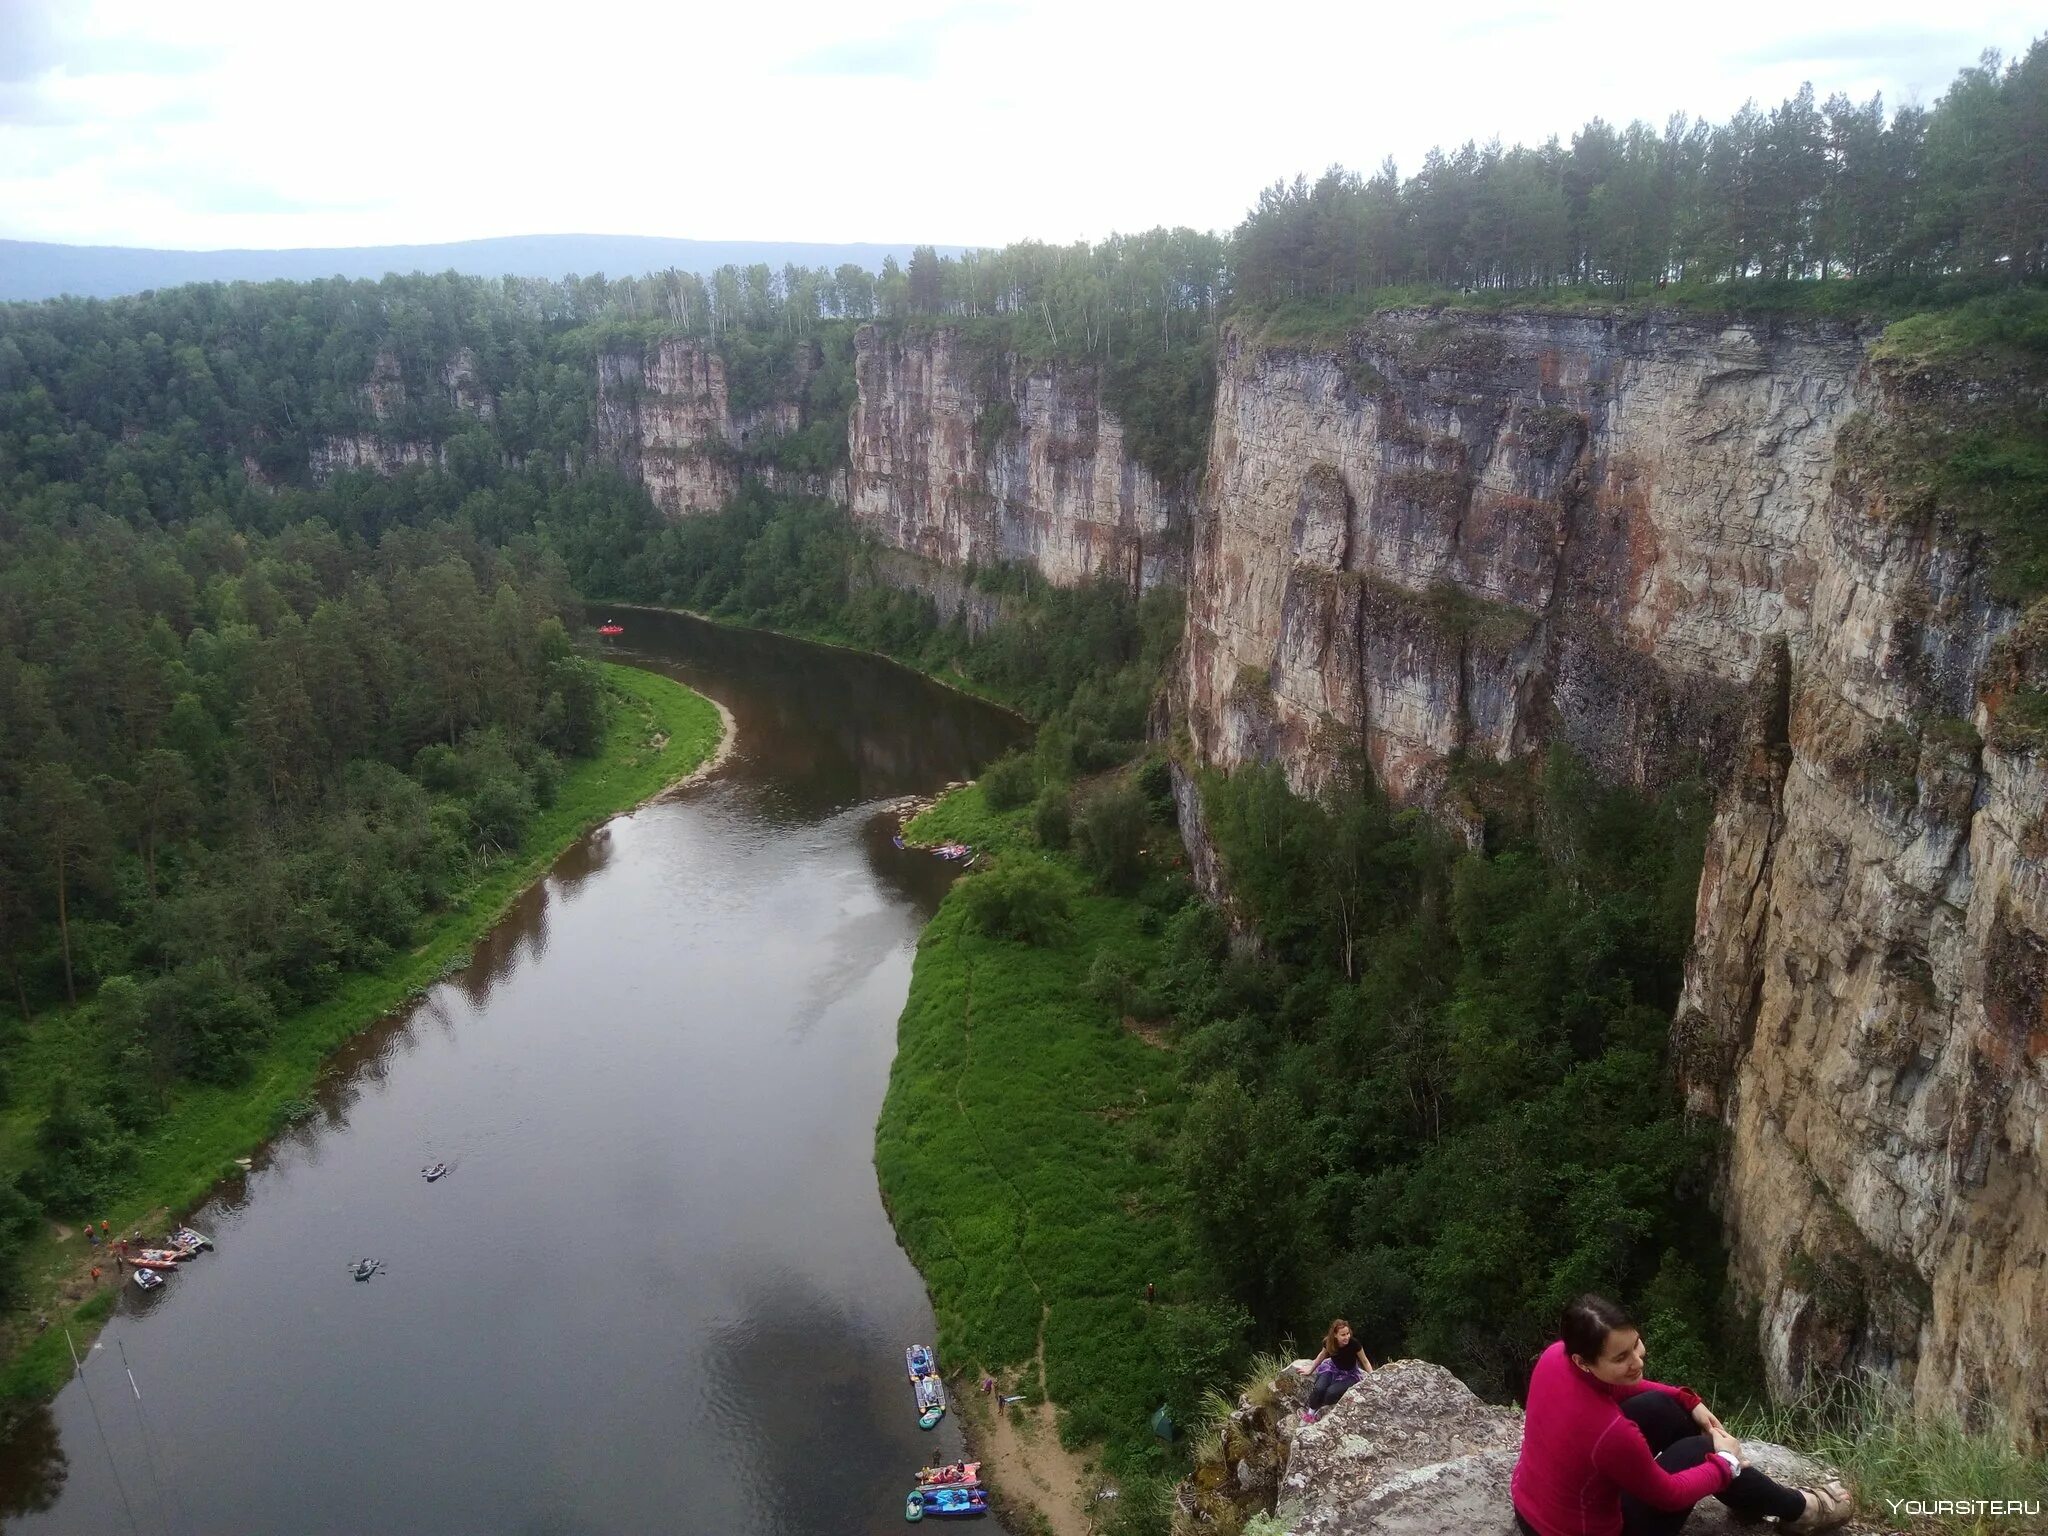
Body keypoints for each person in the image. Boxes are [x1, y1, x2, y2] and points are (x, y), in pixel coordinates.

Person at [1512, 1294, 1851, 1536]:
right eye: (1621, 1358)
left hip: (1535, 1509)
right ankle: (1800, 1510)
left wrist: (1686, 1399)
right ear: (1584, 1362)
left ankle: (1751, 1499)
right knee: (1696, 1451)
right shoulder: (1610, 1432)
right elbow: (1667, 1494)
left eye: (1636, 1344)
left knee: (1663, 1408)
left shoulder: (1555, 1357)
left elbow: (1622, 1388)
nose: (1637, 1361)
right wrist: (1726, 1463)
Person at [1296, 1318, 1373, 1422]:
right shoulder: (1329, 1342)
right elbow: (1322, 1355)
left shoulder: (1354, 1344)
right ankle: (1310, 1413)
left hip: (1350, 1374)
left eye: (1347, 1333)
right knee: (1319, 1389)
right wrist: (1310, 1369)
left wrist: (1372, 1378)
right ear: (1335, 1335)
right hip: (1331, 1368)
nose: (1347, 1337)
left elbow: (1365, 1361)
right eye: (1343, 1335)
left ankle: (1321, 1411)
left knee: (1330, 1393)